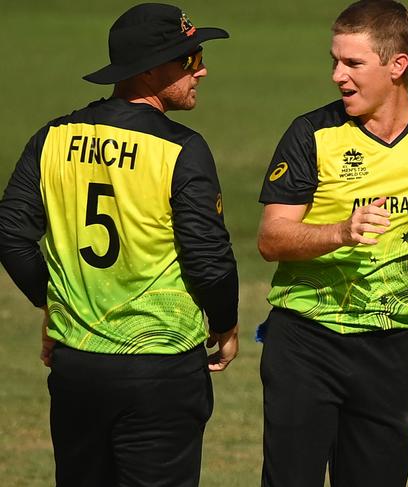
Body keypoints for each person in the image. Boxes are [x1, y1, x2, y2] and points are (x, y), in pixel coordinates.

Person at [0, 4, 239, 487]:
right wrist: (226, 324)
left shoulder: (53, 138)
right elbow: (208, 260)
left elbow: (10, 232)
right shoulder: (181, 149)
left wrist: (54, 303)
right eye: (190, 59)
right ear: (151, 70)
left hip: (77, 370)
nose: (202, 69)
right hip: (160, 371)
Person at [256, 1, 408, 486]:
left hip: (388, 349)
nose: (338, 75)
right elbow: (271, 237)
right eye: (335, 61)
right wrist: (340, 230)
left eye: (353, 63)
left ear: (397, 65)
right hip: (304, 342)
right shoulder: (312, 133)